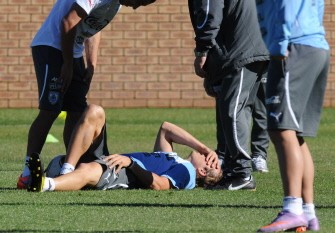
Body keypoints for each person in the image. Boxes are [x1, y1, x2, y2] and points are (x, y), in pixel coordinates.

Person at [17, 0, 156, 189]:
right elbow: (68, 21)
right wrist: (67, 63)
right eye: (141, 1)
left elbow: (93, 28)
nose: (138, 6)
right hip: (51, 47)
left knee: (77, 111)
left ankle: (68, 170)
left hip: (73, 53)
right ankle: (26, 174)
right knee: (51, 109)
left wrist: (91, 64)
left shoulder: (115, 4)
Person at [26, 104, 223, 192]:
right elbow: (166, 128)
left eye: (210, 160)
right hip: (113, 160)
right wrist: (204, 148)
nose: (207, 155)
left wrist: (131, 164)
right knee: (95, 112)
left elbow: (160, 185)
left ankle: (44, 185)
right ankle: (66, 171)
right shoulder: (174, 159)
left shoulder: (187, 172)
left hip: (125, 172)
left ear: (203, 170)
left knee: (87, 170)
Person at [256, 0, 329, 232]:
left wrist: (278, 44)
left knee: (281, 128)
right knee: (294, 133)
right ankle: (308, 213)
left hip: (292, 48)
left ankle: (293, 210)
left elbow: (285, 5)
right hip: (314, 46)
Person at [188, 0, 269, 190]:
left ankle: (242, 173)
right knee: (235, 108)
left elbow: (209, 14)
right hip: (250, 47)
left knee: (234, 110)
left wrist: (202, 50)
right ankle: (234, 170)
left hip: (243, 50)